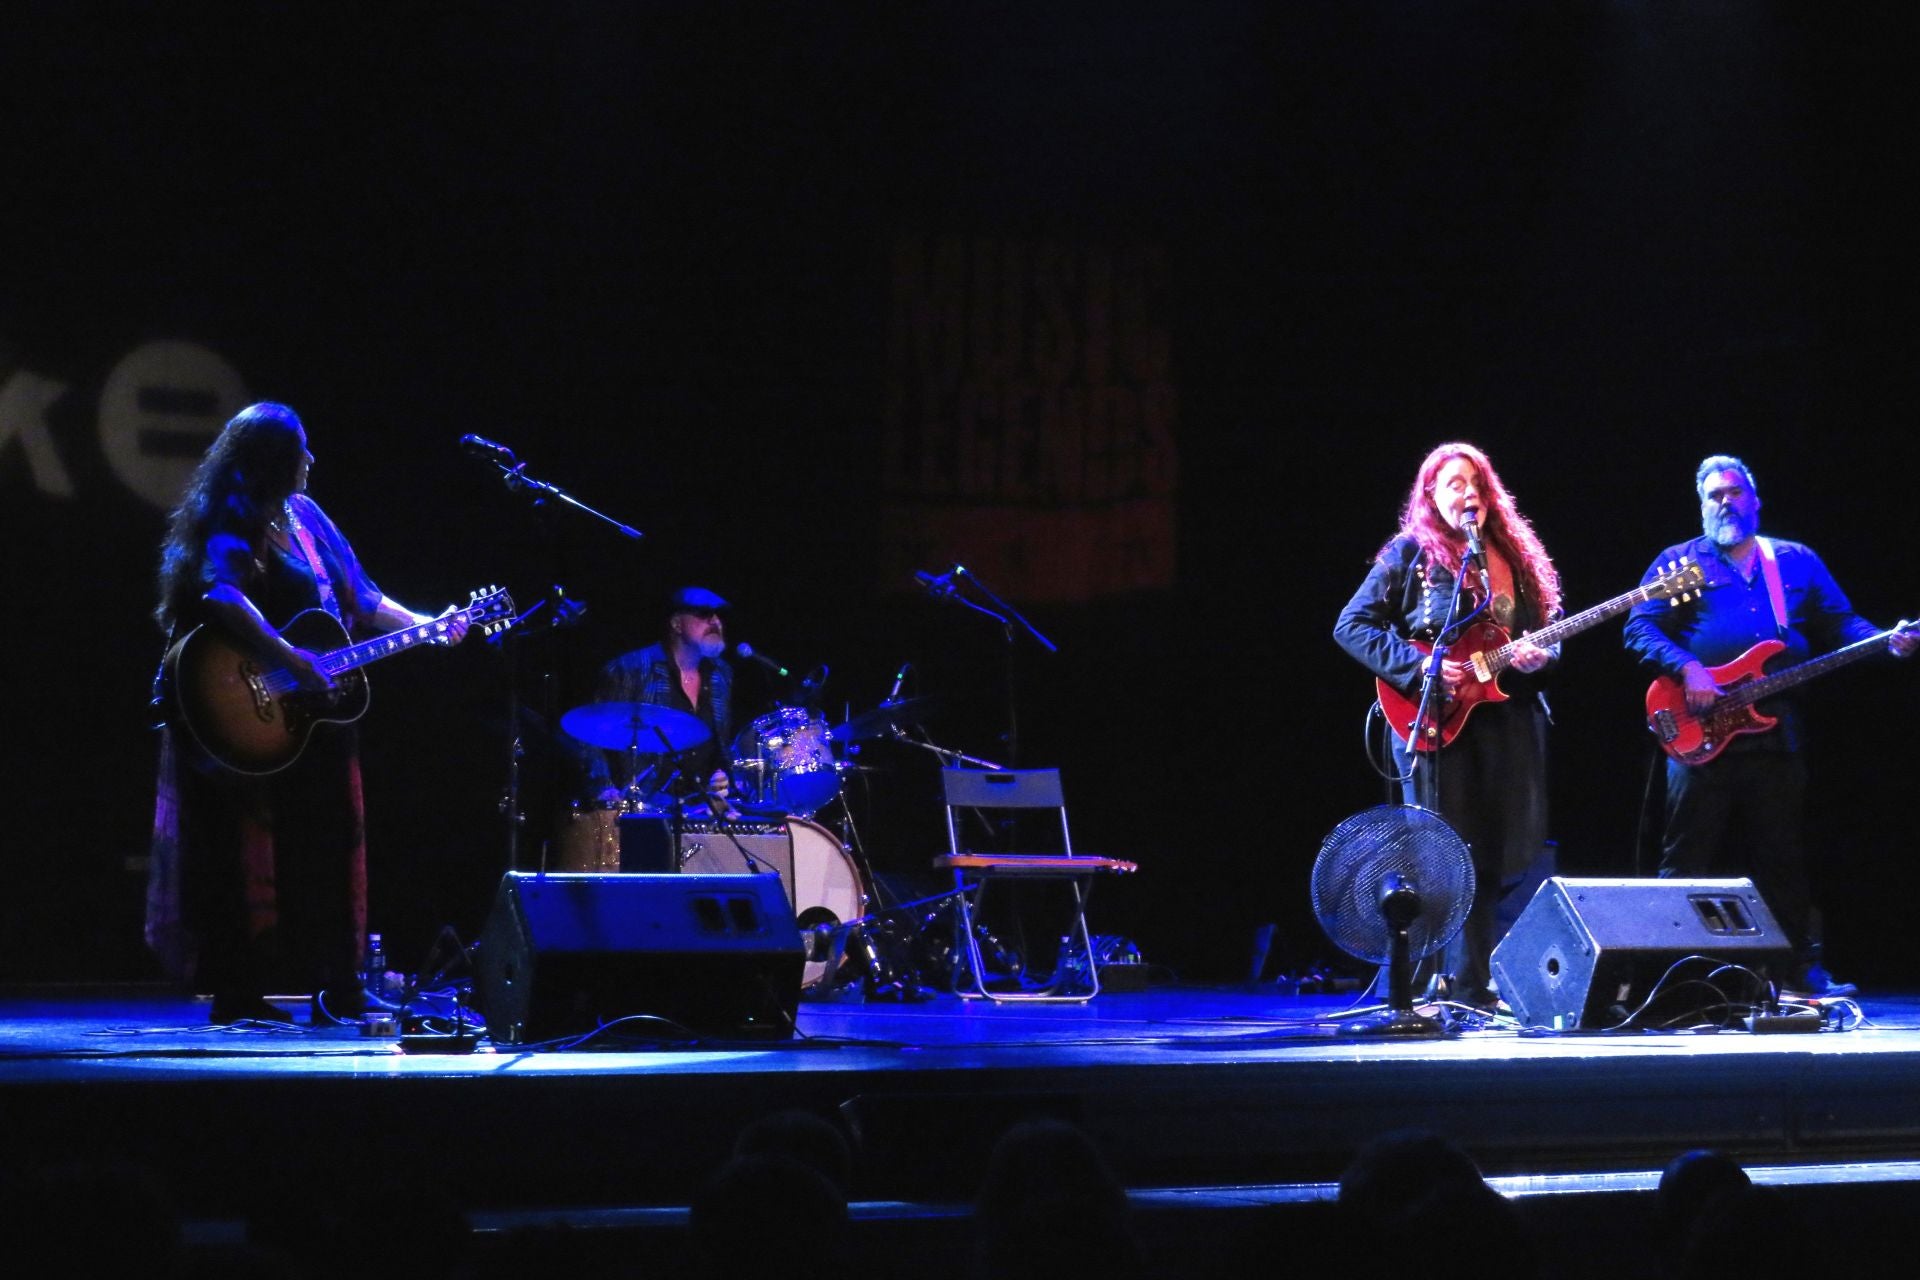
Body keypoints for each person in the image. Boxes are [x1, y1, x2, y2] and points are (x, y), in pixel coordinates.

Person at [148, 402, 470, 1024]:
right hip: (249, 705)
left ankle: (339, 987)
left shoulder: (309, 519)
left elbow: (364, 597)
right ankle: (241, 990)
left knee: (335, 842)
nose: (313, 461)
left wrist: (430, 627)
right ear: (273, 459)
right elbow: (219, 592)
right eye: (302, 450)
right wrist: (288, 656)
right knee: (247, 852)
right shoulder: (233, 517)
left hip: (315, 717)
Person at [1623, 455, 1916, 996]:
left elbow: (1840, 624)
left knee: (1782, 856)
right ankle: (1663, 976)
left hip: (1776, 732)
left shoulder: (1795, 561)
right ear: (1701, 505)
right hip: (1699, 736)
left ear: (1754, 499)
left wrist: (1886, 640)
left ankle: (1795, 972)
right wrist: (1689, 668)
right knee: (1685, 858)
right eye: (1713, 495)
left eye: (1734, 492)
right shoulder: (1678, 561)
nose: (1724, 502)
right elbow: (1639, 627)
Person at [1334, 443, 1562, 1007]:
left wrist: (1541, 655)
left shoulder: (1511, 558)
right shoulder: (1411, 553)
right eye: (1455, 484)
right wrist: (1419, 668)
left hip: (1500, 717)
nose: (1469, 495)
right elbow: (1351, 624)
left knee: (1489, 852)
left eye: (1477, 485)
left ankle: (1472, 986)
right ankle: (1414, 986)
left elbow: (1538, 637)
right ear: (1431, 495)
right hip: (1430, 714)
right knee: (1435, 853)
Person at [593, 586, 736, 812]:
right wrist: (604, 788)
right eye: (704, 613)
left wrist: (721, 773)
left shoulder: (721, 673)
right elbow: (590, 736)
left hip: (699, 808)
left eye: (719, 615)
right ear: (676, 624)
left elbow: (720, 744)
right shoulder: (631, 668)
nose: (715, 621)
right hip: (643, 806)